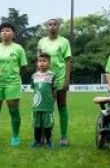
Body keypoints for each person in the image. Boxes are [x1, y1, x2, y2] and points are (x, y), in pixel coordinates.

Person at [0, 22, 27, 147]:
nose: (5, 32)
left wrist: (14, 76)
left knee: (14, 111)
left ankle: (15, 136)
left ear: (13, 33)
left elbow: (23, 67)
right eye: (2, 31)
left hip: (12, 83)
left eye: (8, 30)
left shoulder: (18, 48)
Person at [37, 18, 72, 146]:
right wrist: (38, 77)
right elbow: (39, 61)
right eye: (50, 24)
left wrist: (67, 80)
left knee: (62, 106)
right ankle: (44, 135)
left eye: (55, 24)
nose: (52, 26)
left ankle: (63, 137)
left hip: (60, 77)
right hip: (45, 79)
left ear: (58, 26)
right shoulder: (42, 42)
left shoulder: (64, 42)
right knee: (46, 108)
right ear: (46, 27)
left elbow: (68, 61)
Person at [30, 53, 56, 148]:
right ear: (37, 63)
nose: (42, 63)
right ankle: (36, 140)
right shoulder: (34, 76)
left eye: (44, 61)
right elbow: (34, 90)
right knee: (36, 124)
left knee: (47, 124)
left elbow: (54, 89)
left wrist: (53, 101)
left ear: (49, 63)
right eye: (40, 61)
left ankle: (48, 140)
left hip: (48, 105)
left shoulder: (52, 75)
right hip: (37, 105)